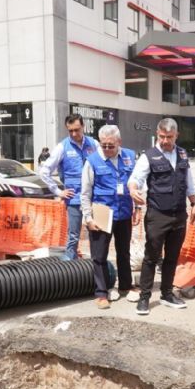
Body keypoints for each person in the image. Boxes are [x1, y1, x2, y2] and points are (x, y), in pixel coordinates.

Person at [128, 118, 195, 315]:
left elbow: (189, 183)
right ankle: (144, 298)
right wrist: (133, 190)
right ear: (157, 135)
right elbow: (135, 179)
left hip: (179, 215)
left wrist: (194, 204)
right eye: (162, 136)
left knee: (172, 256)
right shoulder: (149, 156)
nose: (165, 141)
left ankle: (167, 293)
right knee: (151, 257)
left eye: (169, 137)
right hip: (157, 215)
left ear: (176, 135)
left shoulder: (183, 154)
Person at [81, 124, 141, 309]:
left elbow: (137, 184)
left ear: (119, 142)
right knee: (100, 255)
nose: (107, 149)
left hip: (123, 211)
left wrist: (137, 208)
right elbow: (85, 192)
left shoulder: (130, 157)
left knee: (124, 252)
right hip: (102, 212)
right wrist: (88, 218)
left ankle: (125, 285)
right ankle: (101, 292)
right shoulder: (92, 160)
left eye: (111, 145)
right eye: (104, 145)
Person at [39, 113, 99, 260]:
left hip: (94, 198)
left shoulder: (94, 144)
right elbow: (44, 171)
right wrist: (58, 192)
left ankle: (97, 266)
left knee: (96, 233)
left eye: (77, 130)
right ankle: (70, 268)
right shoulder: (62, 147)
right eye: (70, 130)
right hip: (74, 199)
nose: (74, 133)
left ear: (83, 127)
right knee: (73, 235)